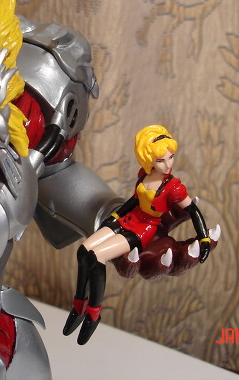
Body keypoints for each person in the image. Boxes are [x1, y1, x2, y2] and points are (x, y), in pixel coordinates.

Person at [63, 125, 213, 345]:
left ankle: (93, 313)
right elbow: (133, 201)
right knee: (83, 250)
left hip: (144, 228)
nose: (168, 164)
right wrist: (114, 217)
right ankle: (79, 305)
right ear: (148, 159)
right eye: (161, 160)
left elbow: (193, 211)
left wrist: (204, 238)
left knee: (96, 256)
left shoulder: (173, 187)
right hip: (126, 219)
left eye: (171, 157)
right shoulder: (144, 176)